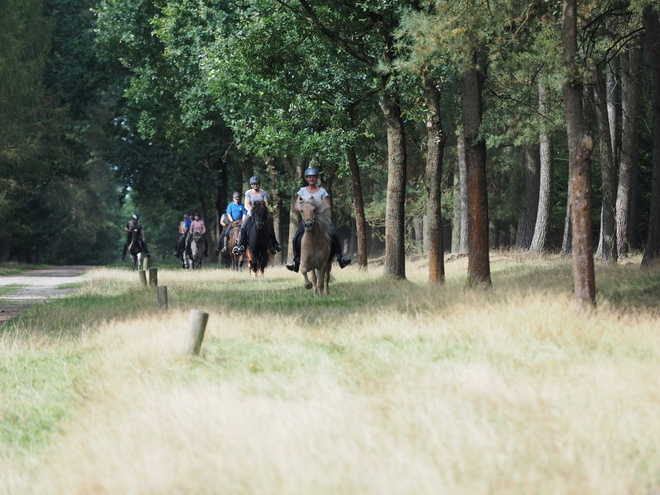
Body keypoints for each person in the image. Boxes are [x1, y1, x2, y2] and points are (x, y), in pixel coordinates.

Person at [285, 167, 351, 272]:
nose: (312, 179)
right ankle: (296, 261)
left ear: (316, 178)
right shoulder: (302, 191)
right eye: (309, 177)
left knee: (334, 234)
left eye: (313, 177)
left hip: (320, 219)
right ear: (306, 178)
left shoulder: (322, 191)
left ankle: (340, 257)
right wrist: (305, 209)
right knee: (296, 238)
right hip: (307, 219)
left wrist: (318, 209)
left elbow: (328, 205)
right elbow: (297, 205)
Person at [232, 176, 282, 256]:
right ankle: (240, 246)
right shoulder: (248, 193)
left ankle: (274, 245)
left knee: (270, 226)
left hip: (261, 214)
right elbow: (246, 204)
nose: (255, 186)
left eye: (257, 184)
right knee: (243, 227)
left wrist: (263, 210)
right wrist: (252, 210)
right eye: (254, 184)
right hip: (251, 213)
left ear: (259, 184)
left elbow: (266, 203)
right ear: (251, 185)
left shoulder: (264, 193)